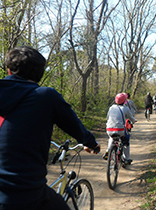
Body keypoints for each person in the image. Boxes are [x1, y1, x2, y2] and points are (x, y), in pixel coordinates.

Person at [0, 46, 100, 210]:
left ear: (9, 71)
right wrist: (91, 143)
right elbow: (74, 126)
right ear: (40, 74)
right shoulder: (45, 96)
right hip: (25, 194)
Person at [103, 93, 136, 165]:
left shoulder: (111, 108)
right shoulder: (125, 108)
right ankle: (126, 158)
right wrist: (134, 121)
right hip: (120, 130)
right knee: (126, 140)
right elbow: (131, 117)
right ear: (124, 101)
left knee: (111, 137)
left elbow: (108, 117)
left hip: (109, 129)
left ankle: (108, 150)